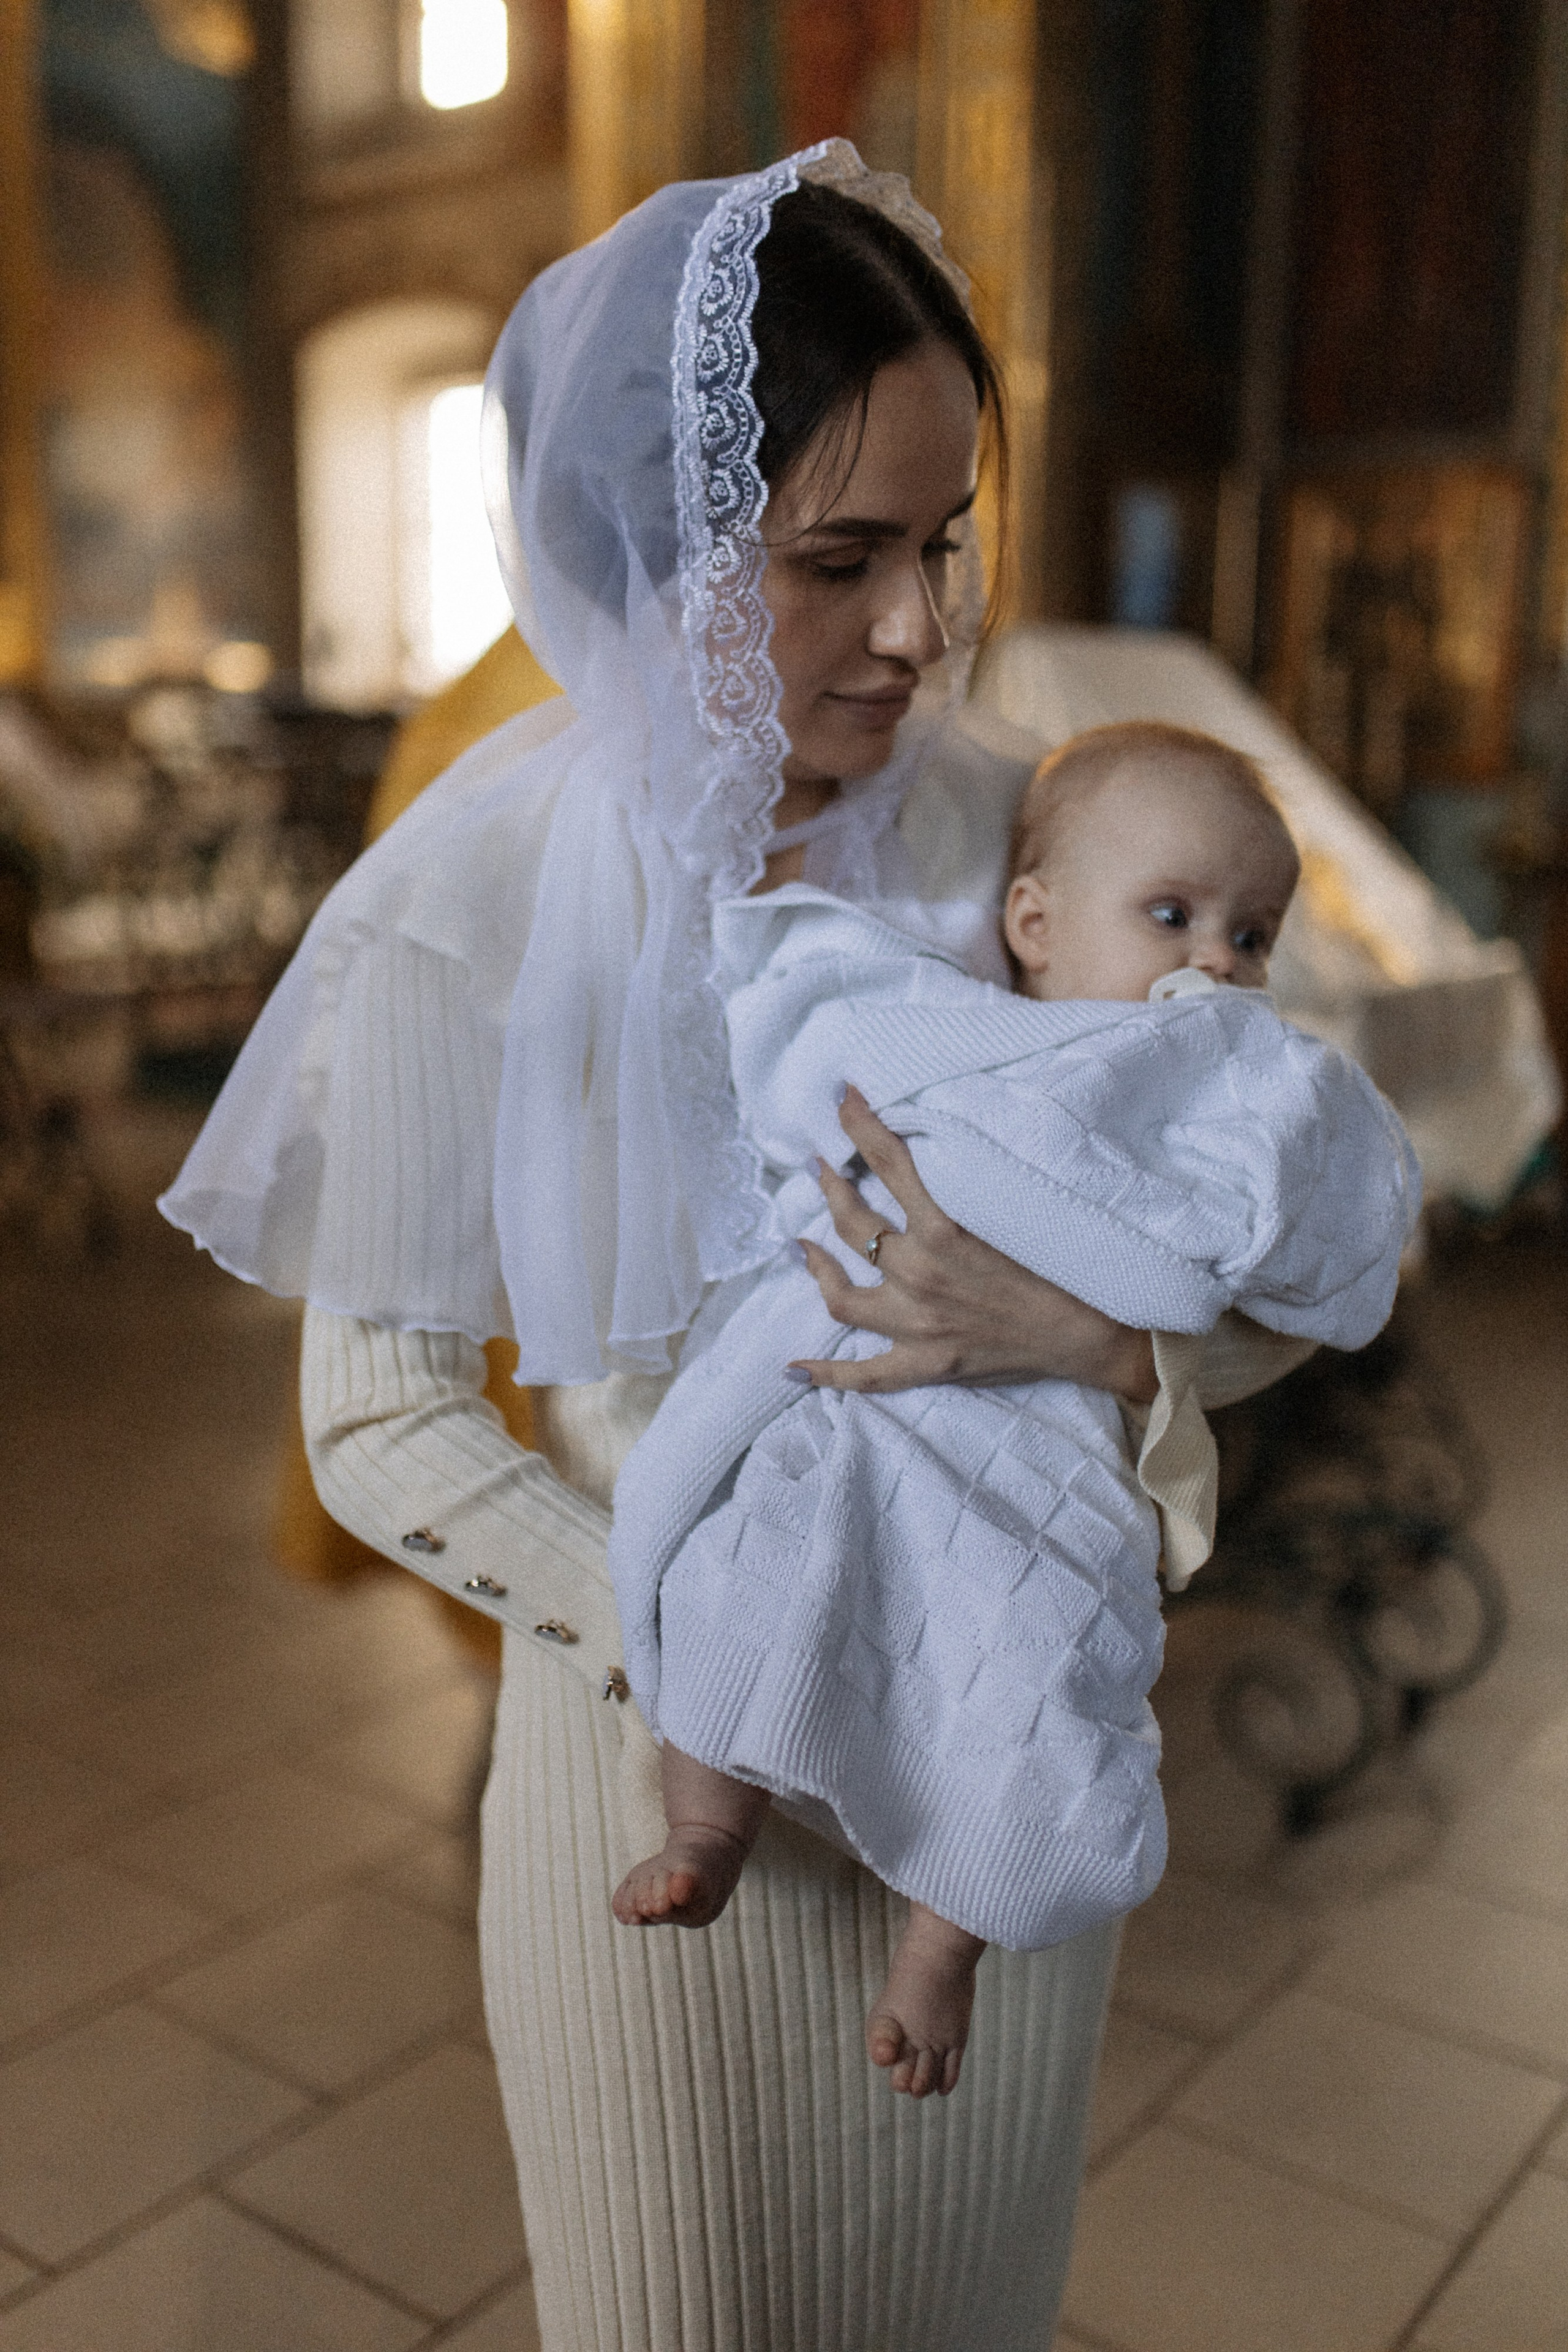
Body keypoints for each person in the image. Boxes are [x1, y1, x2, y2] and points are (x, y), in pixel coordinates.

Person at [160, 144, 1315, 2352]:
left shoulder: (1046, 845)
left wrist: (1092, 1339)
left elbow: (1247, 1238)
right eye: (834, 558)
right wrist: (714, 1640)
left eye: (945, 543)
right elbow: (384, 1428)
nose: (914, 626)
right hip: (666, 1825)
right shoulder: (468, 900)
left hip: (986, 1780)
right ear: (654, 552)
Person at [608, 718, 1418, 2100]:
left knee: (1047, 1665)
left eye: (1251, 934)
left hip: (1047, 1447)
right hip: (871, 1409)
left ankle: (943, 1946)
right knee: (751, 1564)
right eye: (1170, 915)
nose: (1214, 963)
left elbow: (1302, 1253)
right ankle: (708, 1829)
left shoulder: (1229, 1093)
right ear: (1032, 921)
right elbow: (824, 1061)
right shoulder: (961, 1041)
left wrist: (1110, 1325)